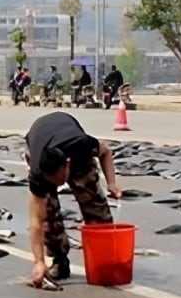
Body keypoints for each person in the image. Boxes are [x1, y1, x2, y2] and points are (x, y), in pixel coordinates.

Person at [24, 112, 123, 286]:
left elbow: (106, 151)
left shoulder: (82, 146)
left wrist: (112, 183)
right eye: (52, 182)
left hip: (70, 142)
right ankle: (59, 259)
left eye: (59, 180)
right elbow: (35, 222)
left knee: (94, 205)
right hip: (37, 142)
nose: (59, 185)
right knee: (48, 213)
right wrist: (38, 261)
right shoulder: (38, 173)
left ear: (67, 165)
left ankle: (103, 260)